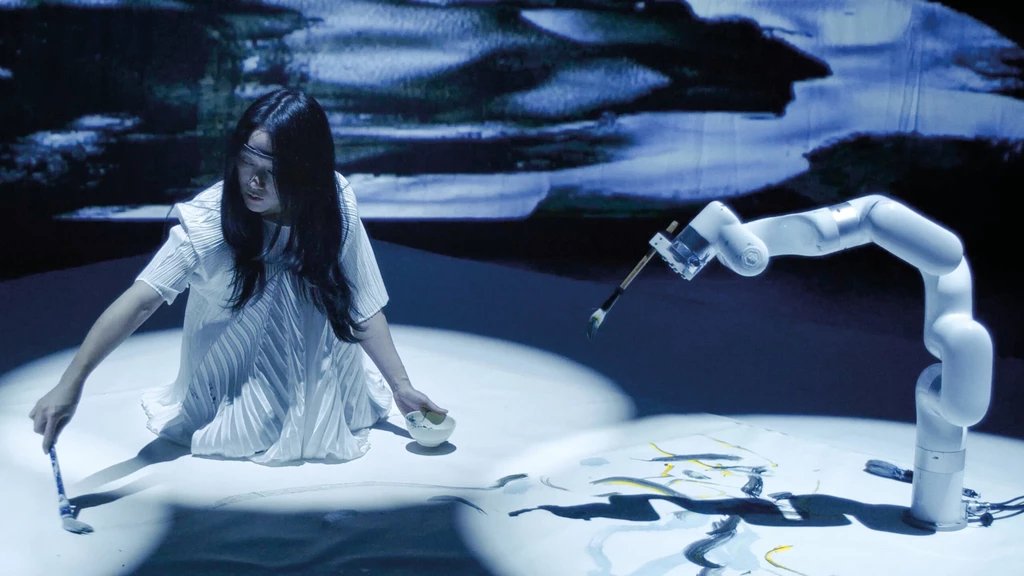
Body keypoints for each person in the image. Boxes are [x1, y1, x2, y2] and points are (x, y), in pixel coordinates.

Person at [29, 88, 445, 465]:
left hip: (327, 377)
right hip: (236, 384)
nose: (253, 182)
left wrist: (400, 385)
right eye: (246, 163)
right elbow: (141, 300)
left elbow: (360, 300)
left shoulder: (334, 203)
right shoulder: (210, 225)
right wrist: (71, 382)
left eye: (271, 170)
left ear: (306, 171)